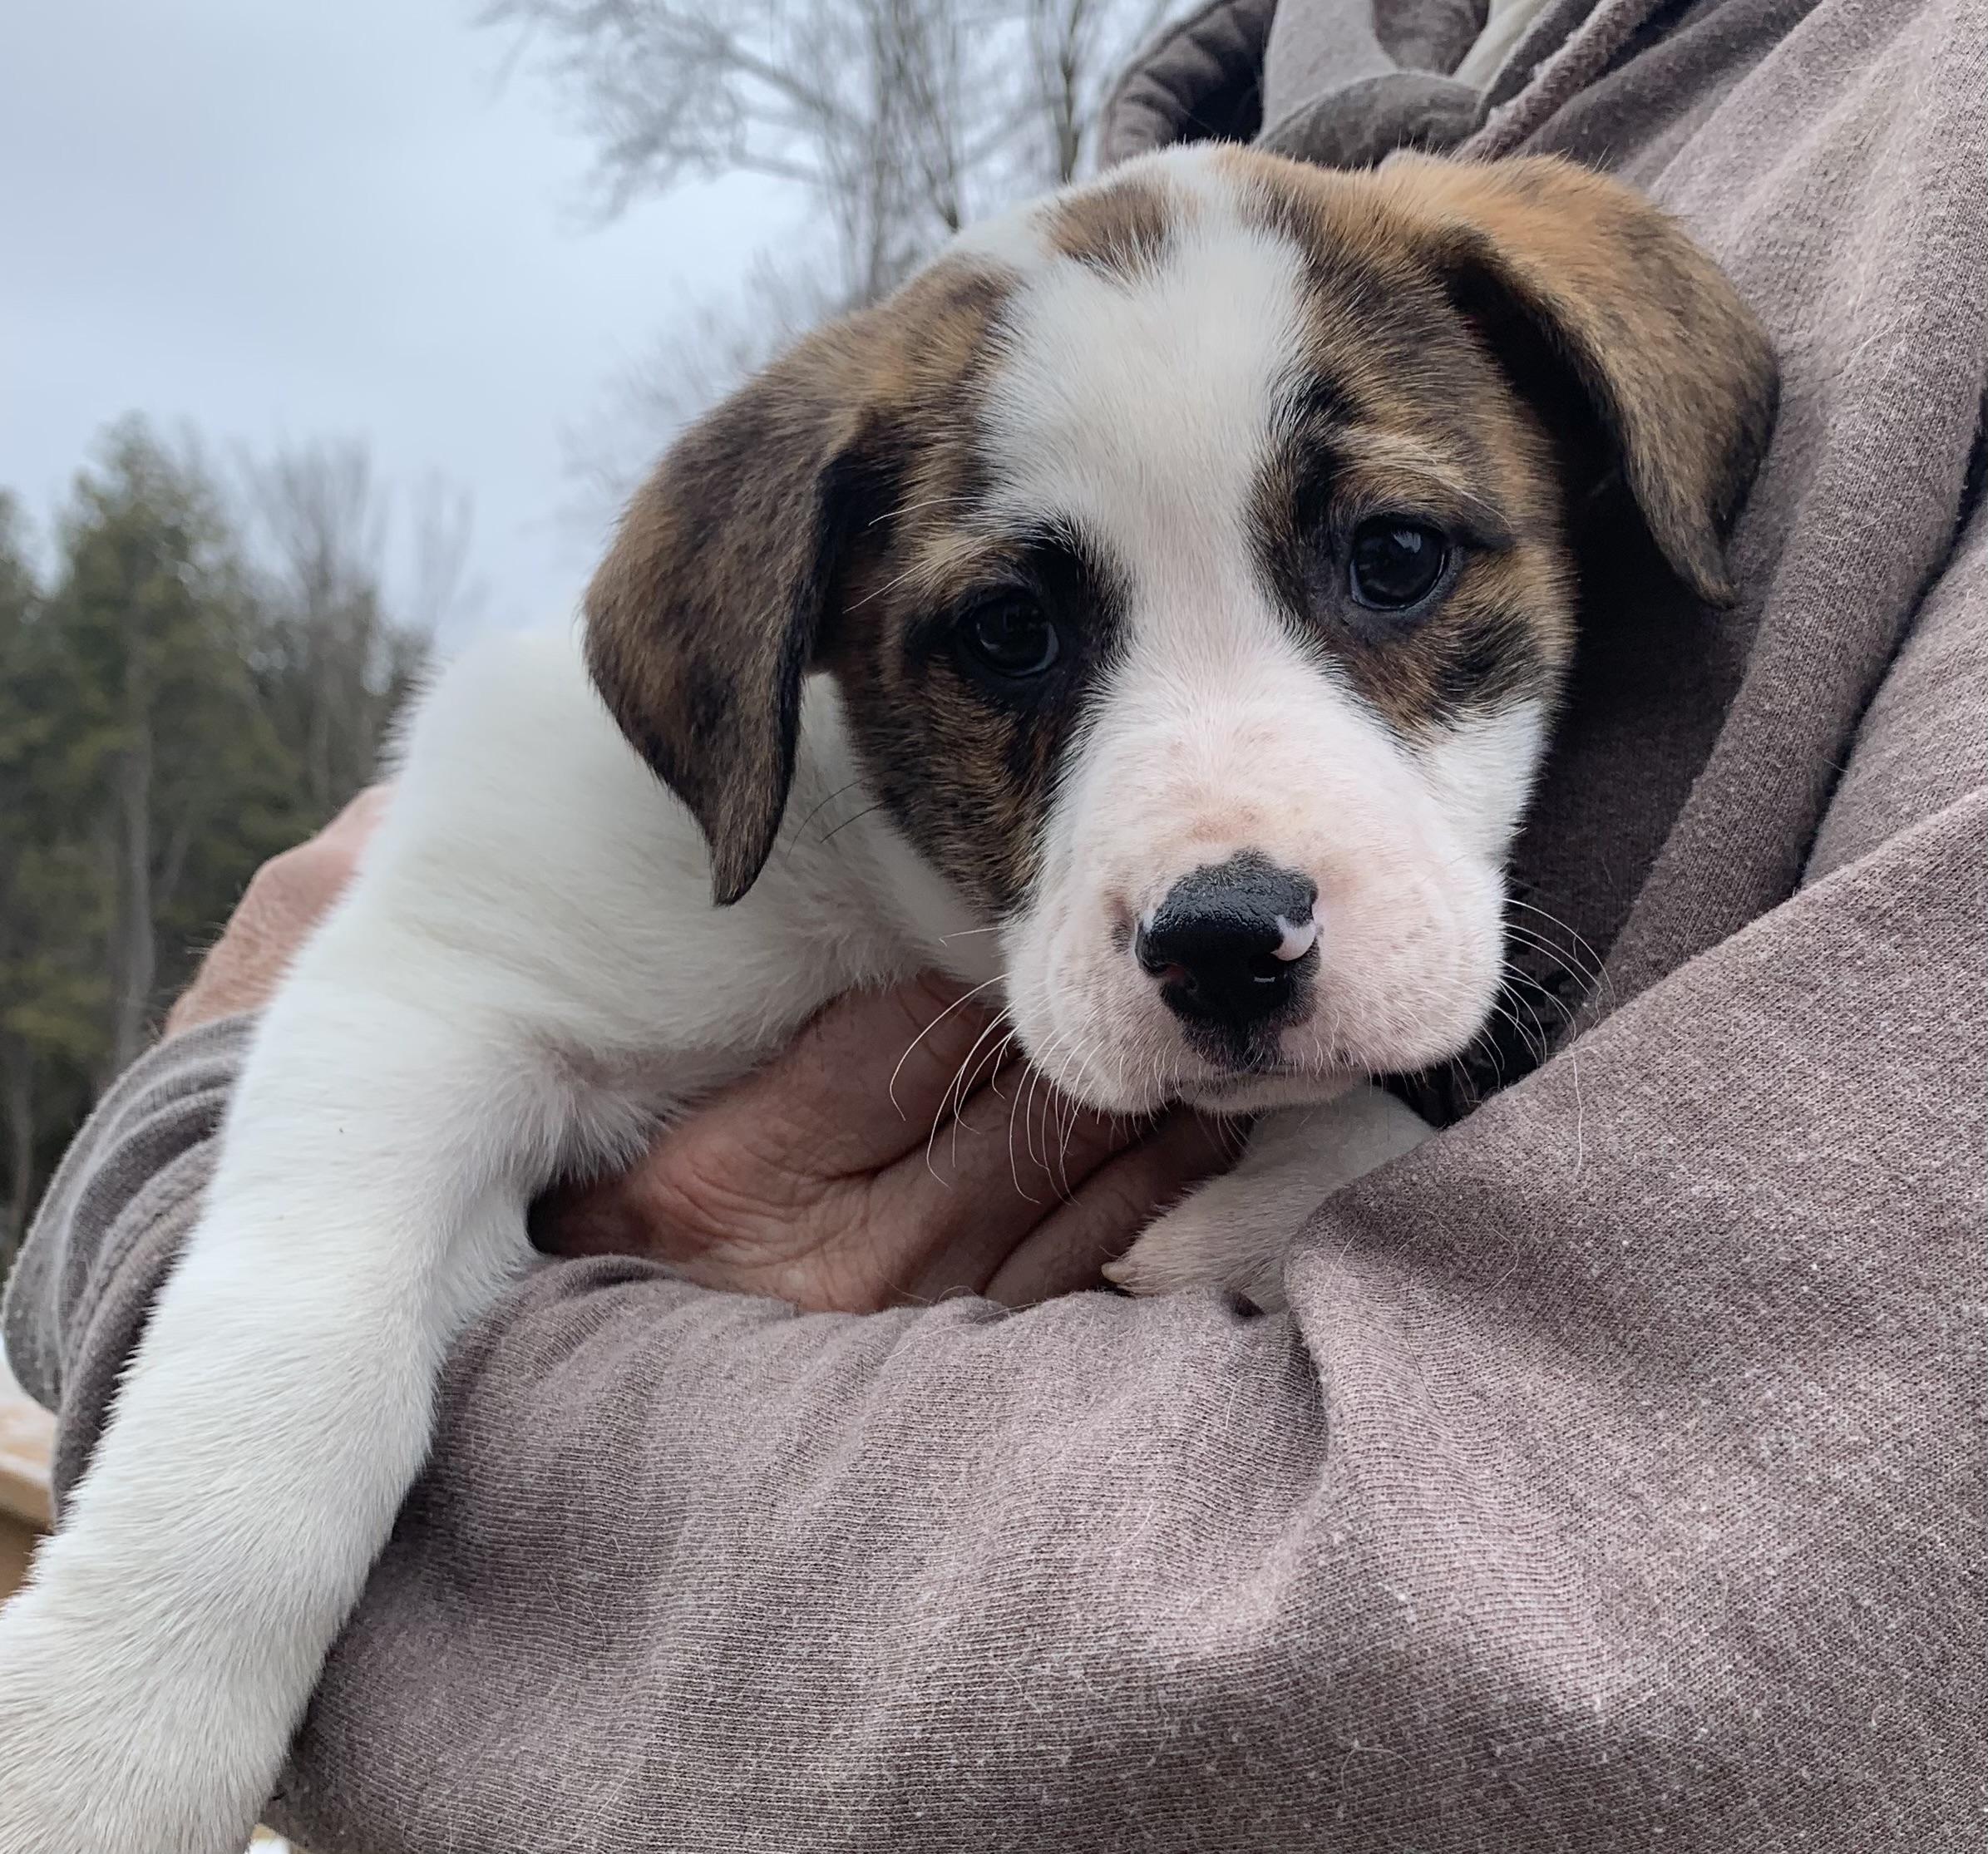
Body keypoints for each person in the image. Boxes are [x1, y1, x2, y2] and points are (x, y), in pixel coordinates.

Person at [7, 0, 1984, 1847]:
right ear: (810, 652)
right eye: (1012, 633)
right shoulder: (628, 796)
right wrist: (160, 1627)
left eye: (1387, 558)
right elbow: (402, 1026)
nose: (1226, 851)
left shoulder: (1859, 157)